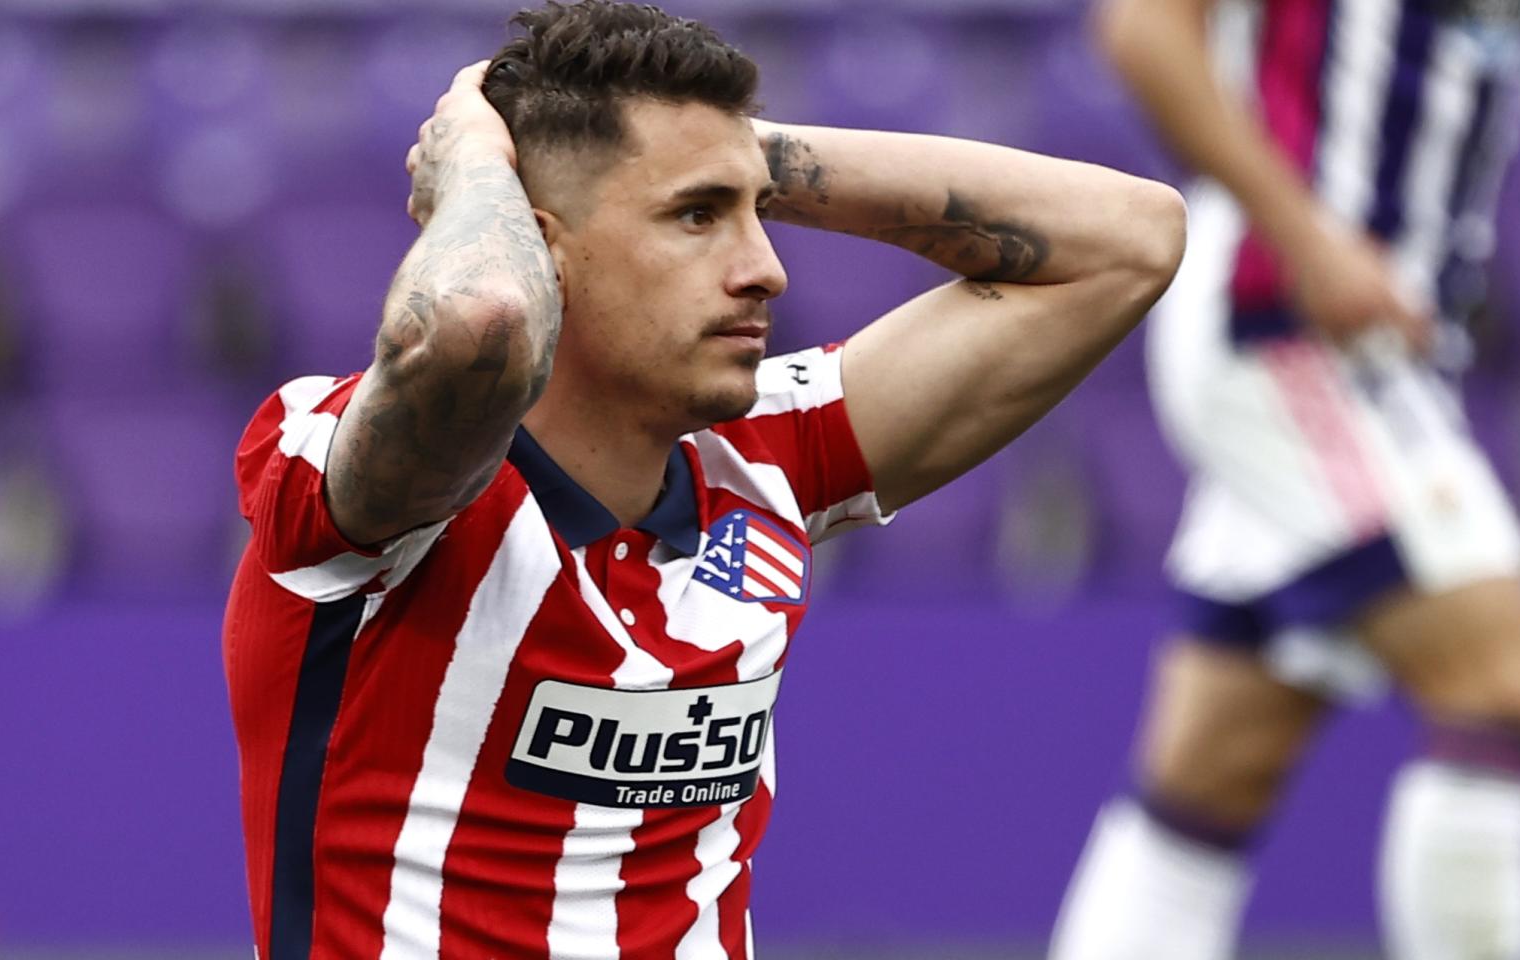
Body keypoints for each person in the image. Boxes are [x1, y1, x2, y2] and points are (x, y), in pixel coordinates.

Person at [222, 2, 1184, 957]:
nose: (766, 269)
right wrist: (476, 162)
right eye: (697, 216)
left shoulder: (770, 451)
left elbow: (1131, 238)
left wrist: (728, 153)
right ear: (543, 249)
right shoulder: (348, 475)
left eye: (752, 212)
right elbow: (477, 323)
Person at [1048, 1, 1520, 958]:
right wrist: (1306, 236)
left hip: (1392, 349)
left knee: (1214, 771)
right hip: (1283, 317)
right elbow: (1144, 28)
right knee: (1497, 685)